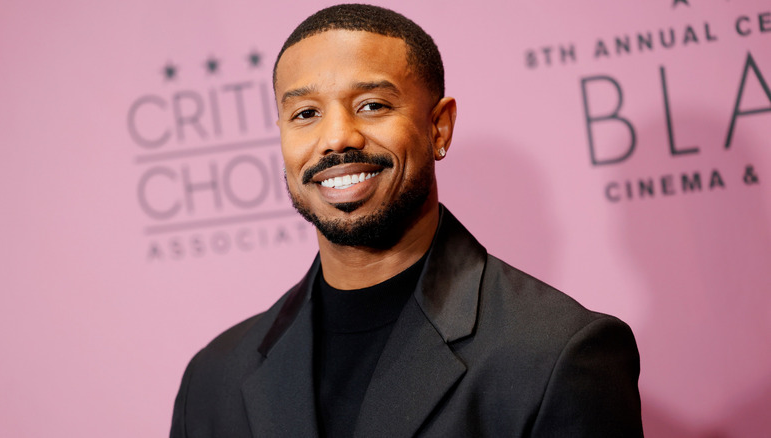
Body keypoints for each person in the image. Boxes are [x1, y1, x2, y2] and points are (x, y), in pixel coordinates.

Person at [169, 4, 643, 437]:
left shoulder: (555, 354)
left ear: (439, 127)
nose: (336, 137)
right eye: (306, 113)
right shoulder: (213, 379)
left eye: (371, 105)